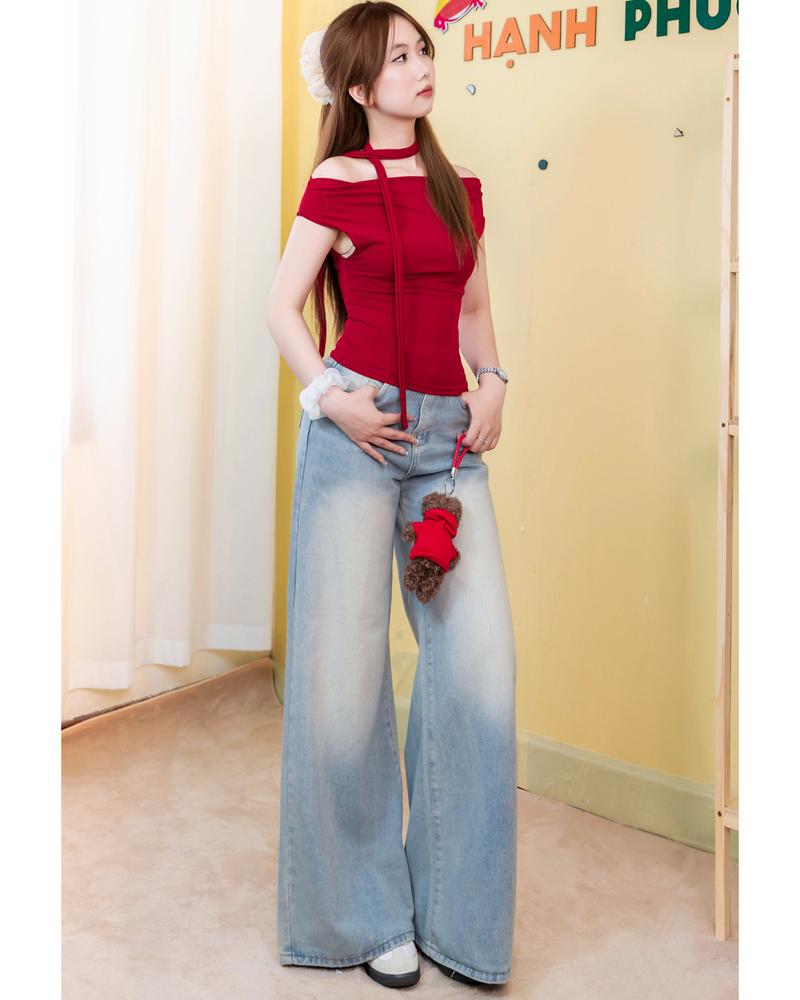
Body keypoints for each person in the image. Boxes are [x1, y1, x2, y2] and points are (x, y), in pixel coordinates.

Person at [266, 2, 517, 989]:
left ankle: (462, 921)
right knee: (343, 676)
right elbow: (281, 306)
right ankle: (363, 916)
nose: (420, 66)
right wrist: (329, 397)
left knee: (478, 671)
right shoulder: (336, 182)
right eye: (399, 57)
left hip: (448, 441)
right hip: (356, 433)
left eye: (423, 50)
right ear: (361, 87)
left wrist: (493, 381)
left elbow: (474, 307)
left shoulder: (459, 188)